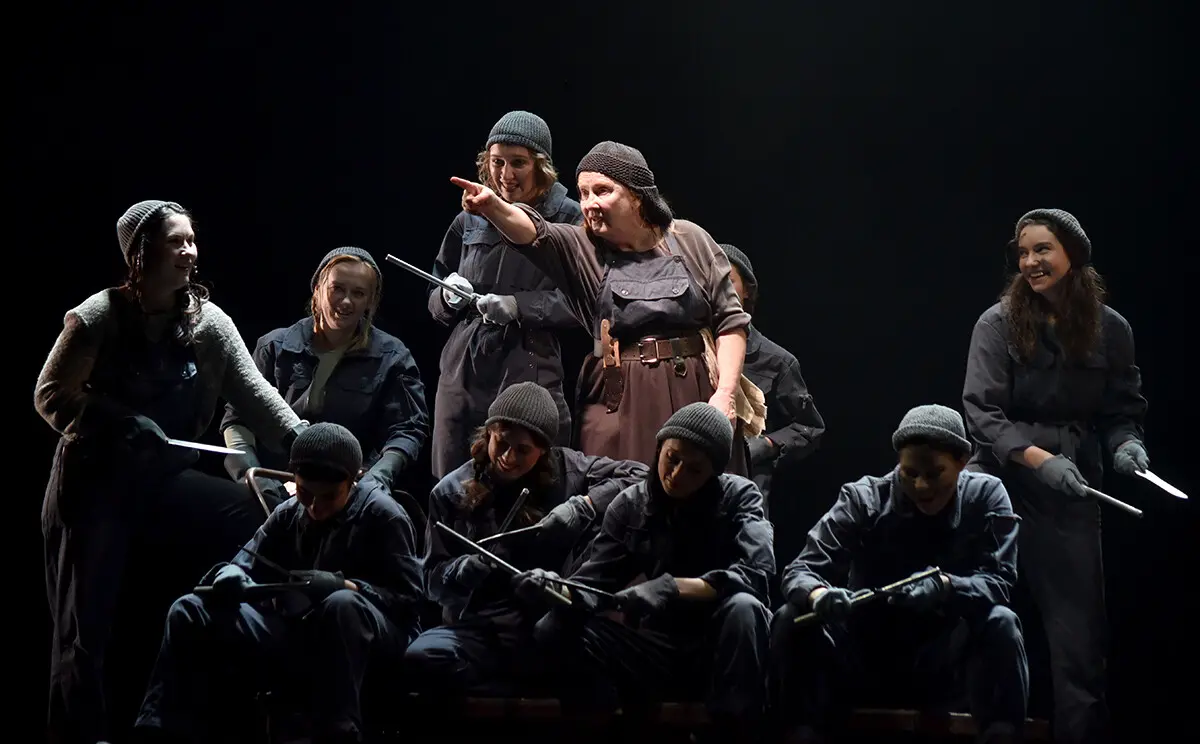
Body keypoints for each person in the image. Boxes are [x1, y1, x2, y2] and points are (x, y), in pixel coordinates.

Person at [35, 200, 306, 744]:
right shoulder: (98, 316)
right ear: (142, 253)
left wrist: (309, 443)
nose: (189, 252)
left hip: (162, 481)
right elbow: (50, 394)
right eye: (175, 242)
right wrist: (116, 419)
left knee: (250, 513)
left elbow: (256, 396)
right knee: (83, 628)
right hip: (93, 484)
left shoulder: (209, 322)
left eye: (191, 241)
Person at [451, 140, 765, 475]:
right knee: (625, 489)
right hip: (622, 397)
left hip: (695, 391)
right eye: (583, 193)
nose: (589, 204)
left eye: (602, 191)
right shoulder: (581, 248)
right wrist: (492, 206)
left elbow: (730, 322)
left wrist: (725, 394)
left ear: (638, 195)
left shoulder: (690, 239)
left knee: (702, 491)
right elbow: (533, 232)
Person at [962, 209, 1148, 744]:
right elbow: (982, 412)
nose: (1030, 262)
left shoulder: (1111, 329)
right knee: (986, 623)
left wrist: (1126, 444)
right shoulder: (997, 323)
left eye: (1042, 249)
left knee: (1080, 643)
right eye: (1023, 253)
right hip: (1002, 487)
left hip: (1072, 493)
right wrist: (1038, 459)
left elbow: (1121, 408)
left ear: (1073, 254)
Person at [135, 422, 423, 744]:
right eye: (306, 493)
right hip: (299, 628)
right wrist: (231, 576)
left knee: (341, 606)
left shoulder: (384, 516)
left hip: (370, 635)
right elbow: (245, 562)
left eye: (329, 497)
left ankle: (338, 734)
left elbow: (410, 601)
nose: (315, 507)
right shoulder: (289, 513)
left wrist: (347, 586)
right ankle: (159, 731)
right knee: (190, 610)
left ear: (353, 481)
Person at [517, 403, 776, 743]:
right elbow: (591, 585)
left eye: (694, 469)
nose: (677, 475)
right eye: (672, 458)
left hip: (721, 645)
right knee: (554, 627)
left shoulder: (740, 496)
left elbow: (755, 576)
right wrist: (553, 588)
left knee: (744, 608)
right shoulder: (631, 504)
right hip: (658, 647)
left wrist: (673, 588)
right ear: (659, 449)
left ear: (713, 473)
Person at [771, 405, 1027, 744]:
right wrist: (820, 596)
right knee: (792, 617)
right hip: (863, 655)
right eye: (910, 473)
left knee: (1001, 622)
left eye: (934, 473)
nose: (921, 485)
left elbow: (999, 581)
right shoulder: (864, 498)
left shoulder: (986, 495)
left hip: (944, 660)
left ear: (962, 462)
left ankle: (1001, 735)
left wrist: (946, 586)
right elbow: (801, 569)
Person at [403, 381, 648, 697]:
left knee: (608, 667)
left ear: (543, 450)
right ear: (489, 433)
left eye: (522, 450)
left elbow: (641, 475)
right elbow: (432, 584)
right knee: (422, 657)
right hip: (479, 630)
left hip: (547, 623)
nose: (508, 457)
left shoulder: (567, 469)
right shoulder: (450, 491)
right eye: (501, 442)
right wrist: (463, 570)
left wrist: (585, 505)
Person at [428, 111, 583, 478]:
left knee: (527, 476)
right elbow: (435, 284)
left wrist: (519, 306)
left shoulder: (568, 218)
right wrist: (447, 297)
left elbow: (585, 300)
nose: (506, 174)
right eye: (497, 162)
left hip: (529, 362)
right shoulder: (472, 215)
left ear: (541, 166)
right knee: (454, 478)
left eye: (518, 163)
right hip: (464, 367)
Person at [221, 246, 429, 503]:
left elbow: (408, 429)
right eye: (337, 289)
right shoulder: (274, 347)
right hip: (275, 484)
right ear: (318, 289)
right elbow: (238, 419)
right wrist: (257, 482)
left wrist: (376, 480)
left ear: (370, 301)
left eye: (358, 293)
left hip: (349, 491)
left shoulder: (392, 357)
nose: (346, 301)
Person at [719, 243, 825, 511]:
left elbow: (809, 427)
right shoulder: (686, 350)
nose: (718, 289)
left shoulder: (776, 361)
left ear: (746, 290)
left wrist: (766, 445)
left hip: (745, 495)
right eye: (710, 280)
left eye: (728, 280)